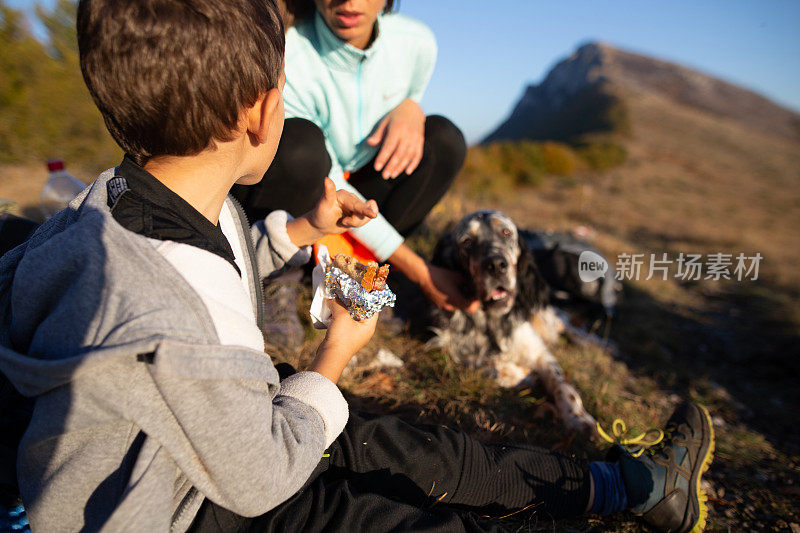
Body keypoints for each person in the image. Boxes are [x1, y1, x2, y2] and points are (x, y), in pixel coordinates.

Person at [0, 0, 714, 532]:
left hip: (199, 428)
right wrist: (335, 352)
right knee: (382, 513)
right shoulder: (173, 325)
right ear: (264, 111)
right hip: (183, 508)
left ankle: (627, 485)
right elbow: (261, 478)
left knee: (391, 442)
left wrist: (299, 231)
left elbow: (218, 256)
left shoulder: (124, 197)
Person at [232, 0, 480, 314]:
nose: (349, 1)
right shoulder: (288, 53)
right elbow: (329, 182)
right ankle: (281, 276)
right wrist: (421, 272)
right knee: (299, 146)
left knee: (443, 140)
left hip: (363, 189)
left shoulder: (417, 43)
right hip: (308, 197)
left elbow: (409, 108)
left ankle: (373, 270)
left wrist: (410, 107)